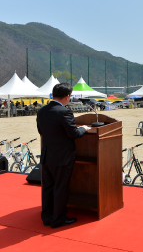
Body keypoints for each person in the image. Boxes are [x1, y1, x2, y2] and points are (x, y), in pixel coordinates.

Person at [37, 83, 89, 228]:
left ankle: (47, 217)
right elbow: (73, 134)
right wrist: (83, 128)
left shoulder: (42, 111)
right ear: (67, 97)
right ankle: (58, 219)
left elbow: (41, 131)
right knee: (60, 187)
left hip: (47, 155)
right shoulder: (64, 112)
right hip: (62, 157)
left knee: (48, 187)